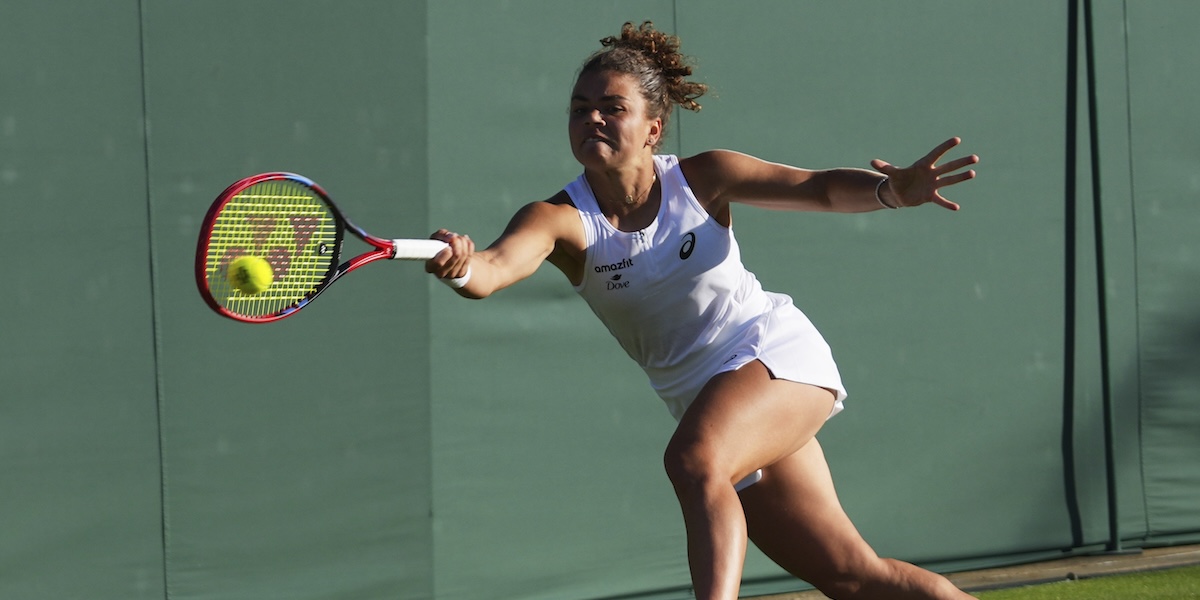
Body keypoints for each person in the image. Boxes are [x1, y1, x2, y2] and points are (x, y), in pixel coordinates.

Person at [426, 21, 980, 600]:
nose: (592, 118)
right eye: (580, 107)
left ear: (652, 129)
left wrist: (891, 191)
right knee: (856, 579)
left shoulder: (704, 177)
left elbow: (816, 188)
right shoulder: (557, 218)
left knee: (693, 460)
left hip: (775, 356)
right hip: (706, 402)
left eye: (611, 108)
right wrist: (461, 265)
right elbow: (493, 269)